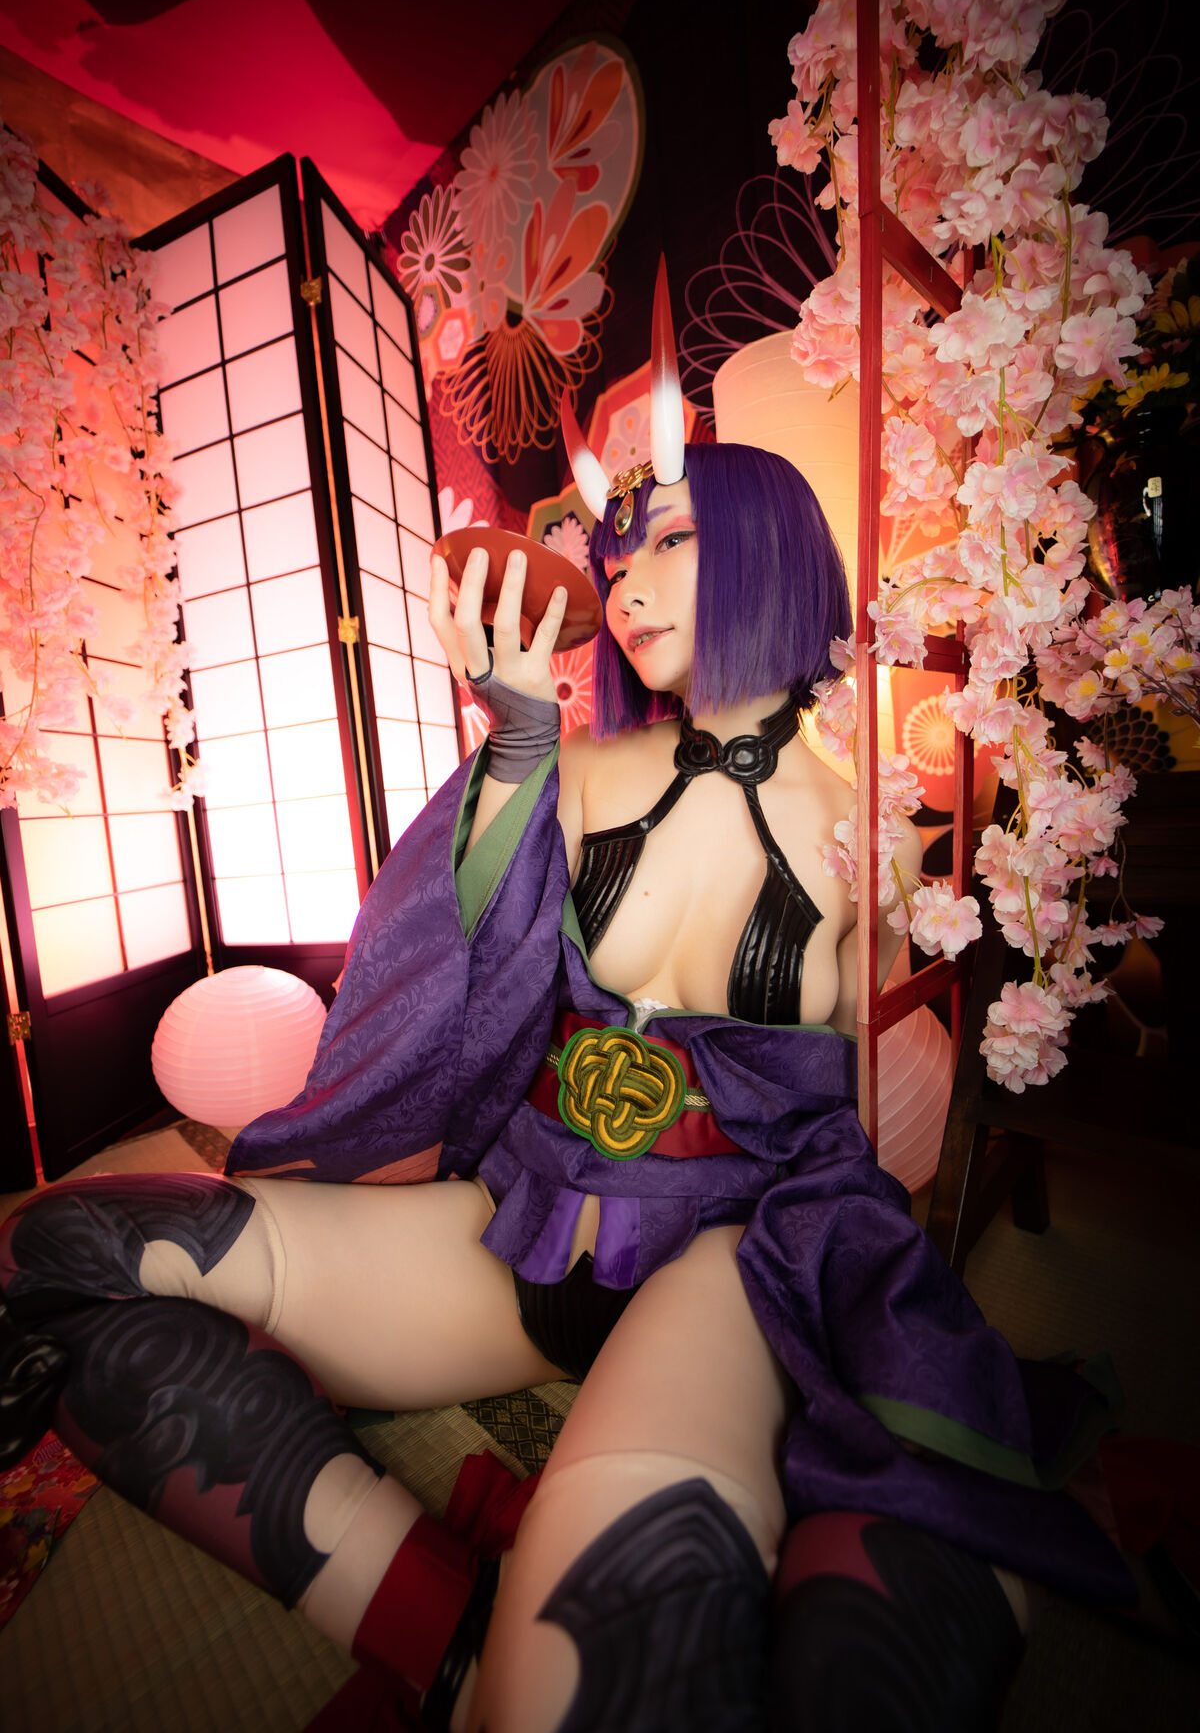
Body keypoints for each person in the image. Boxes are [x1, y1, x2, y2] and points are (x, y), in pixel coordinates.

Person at [0, 269, 1133, 1733]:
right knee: (62, 1247)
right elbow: (453, 950)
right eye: (621, 551)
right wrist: (519, 744)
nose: (628, 582)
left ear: (776, 549)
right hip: (519, 1224)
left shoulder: (872, 819)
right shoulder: (576, 764)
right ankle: (442, 1627)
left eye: (672, 541)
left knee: (604, 1662)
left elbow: (878, 1076)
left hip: (716, 1260)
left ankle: (509, 1650)